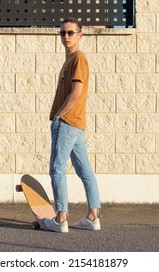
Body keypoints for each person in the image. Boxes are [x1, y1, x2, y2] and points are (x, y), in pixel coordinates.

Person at [44, 18, 101, 233]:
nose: (66, 36)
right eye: (63, 33)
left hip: (68, 122)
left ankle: (60, 219)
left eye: (70, 33)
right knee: (84, 170)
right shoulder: (70, 60)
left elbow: (76, 93)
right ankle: (93, 217)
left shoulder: (79, 59)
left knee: (57, 169)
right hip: (75, 124)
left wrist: (59, 115)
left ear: (80, 35)